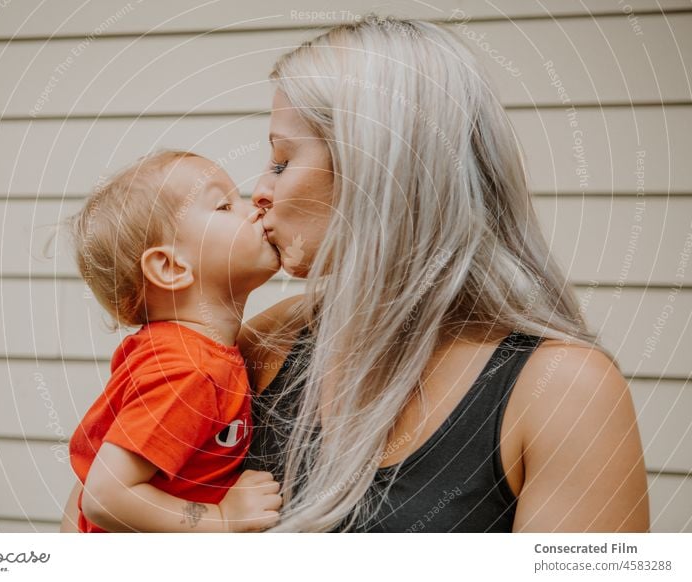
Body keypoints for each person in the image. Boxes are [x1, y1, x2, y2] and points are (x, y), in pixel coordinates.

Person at [236, 15, 650, 532]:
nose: (259, 191)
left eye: (280, 162)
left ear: (378, 170)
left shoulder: (565, 392)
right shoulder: (266, 345)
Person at [62, 150, 283, 532]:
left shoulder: (177, 353)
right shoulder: (187, 369)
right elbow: (105, 496)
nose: (254, 209)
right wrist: (222, 520)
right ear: (171, 267)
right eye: (224, 206)